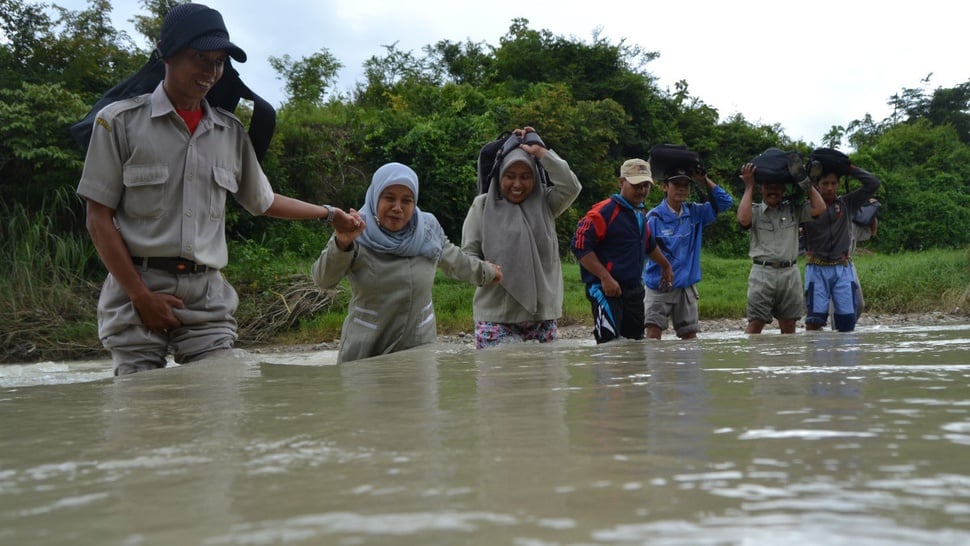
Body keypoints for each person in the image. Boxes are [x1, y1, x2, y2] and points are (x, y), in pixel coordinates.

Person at [75, 3, 359, 375]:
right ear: (166, 51)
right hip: (136, 290)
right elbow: (98, 219)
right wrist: (139, 295)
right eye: (200, 58)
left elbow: (264, 201)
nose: (211, 72)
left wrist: (328, 213)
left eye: (220, 61)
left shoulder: (230, 133)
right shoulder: (118, 123)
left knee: (218, 402)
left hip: (207, 295)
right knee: (140, 412)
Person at [312, 163, 502, 363]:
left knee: (417, 394)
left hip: (418, 346)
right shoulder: (355, 229)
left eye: (406, 200)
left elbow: (456, 261)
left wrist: (487, 272)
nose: (397, 208)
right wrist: (342, 243)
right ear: (375, 197)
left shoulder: (427, 230)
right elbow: (323, 280)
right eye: (389, 198)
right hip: (367, 349)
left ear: (415, 202)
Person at [461, 127, 582, 349]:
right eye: (510, 176)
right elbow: (467, 255)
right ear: (499, 175)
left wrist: (541, 153)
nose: (517, 184)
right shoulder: (482, 206)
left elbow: (572, 186)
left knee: (542, 381)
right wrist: (484, 270)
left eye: (525, 177)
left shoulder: (545, 203)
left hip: (542, 318)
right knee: (498, 380)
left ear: (535, 177)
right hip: (495, 318)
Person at [570, 159, 673, 343]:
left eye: (645, 186)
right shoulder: (603, 212)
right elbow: (579, 246)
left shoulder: (640, 212)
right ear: (621, 182)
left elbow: (648, 244)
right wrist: (605, 277)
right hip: (606, 290)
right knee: (608, 345)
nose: (642, 191)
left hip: (633, 291)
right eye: (636, 185)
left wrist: (665, 265)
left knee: (634, 345)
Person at [737, 153, 826, 334]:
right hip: (762, 274)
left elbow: (820, 208)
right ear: (761, 189)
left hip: (790, 274)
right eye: (768, 187)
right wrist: (748, 186)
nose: (773, 191)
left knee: (789, 327)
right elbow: (743, 220)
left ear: (784, 190)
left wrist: (806, 184)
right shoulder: (755, 211)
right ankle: (752, 361)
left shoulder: (794, 210)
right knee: (755, 324)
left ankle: (787, 362)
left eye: (777, 187)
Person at [643, 164, 734, 340]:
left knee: (690, 337)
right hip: (658, 286)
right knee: (653, 334)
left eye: (686, 185)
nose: (682, 189)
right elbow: (644, 249)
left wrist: (703, 180)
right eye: (677, 185)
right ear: (664, 187)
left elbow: (725, 202)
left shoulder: (695, 212)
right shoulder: (654, 218)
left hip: (686, 287)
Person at [802, 154, 881, 332]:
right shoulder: (806, 207)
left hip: (842, 267)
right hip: (817, 268)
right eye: (825, 183)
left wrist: (850, 169)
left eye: (833, 183)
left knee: (846, 321)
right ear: (817, 185)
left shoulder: (847, 203)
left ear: (838, 184)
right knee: (815, 319)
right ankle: (816, 358)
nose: (829, 188)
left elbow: (873, 184)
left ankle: (842, 357)